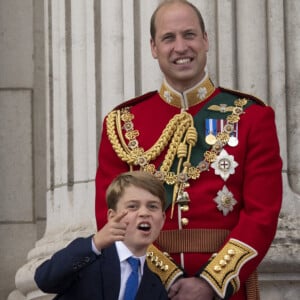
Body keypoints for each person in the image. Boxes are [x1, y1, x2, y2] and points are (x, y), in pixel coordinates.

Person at [95, 0, 283, 299]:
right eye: (169, 38)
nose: (181, 47)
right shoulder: (122, 123)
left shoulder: (250, 116)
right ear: (154, 47)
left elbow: (262, 213)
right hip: (149, 287)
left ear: (205, 40)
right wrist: (165, 279)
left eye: (190, 35)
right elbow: (112, 217)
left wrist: (211, 282)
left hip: (226, 290)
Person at [34, 171, 168, 300]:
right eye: (133, 206)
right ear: (112, 216)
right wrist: (95, 243)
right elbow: (45, 280)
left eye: (152, 206)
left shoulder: (155, 287)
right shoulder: (89, 256)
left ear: (162, 219)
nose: (144, 213)